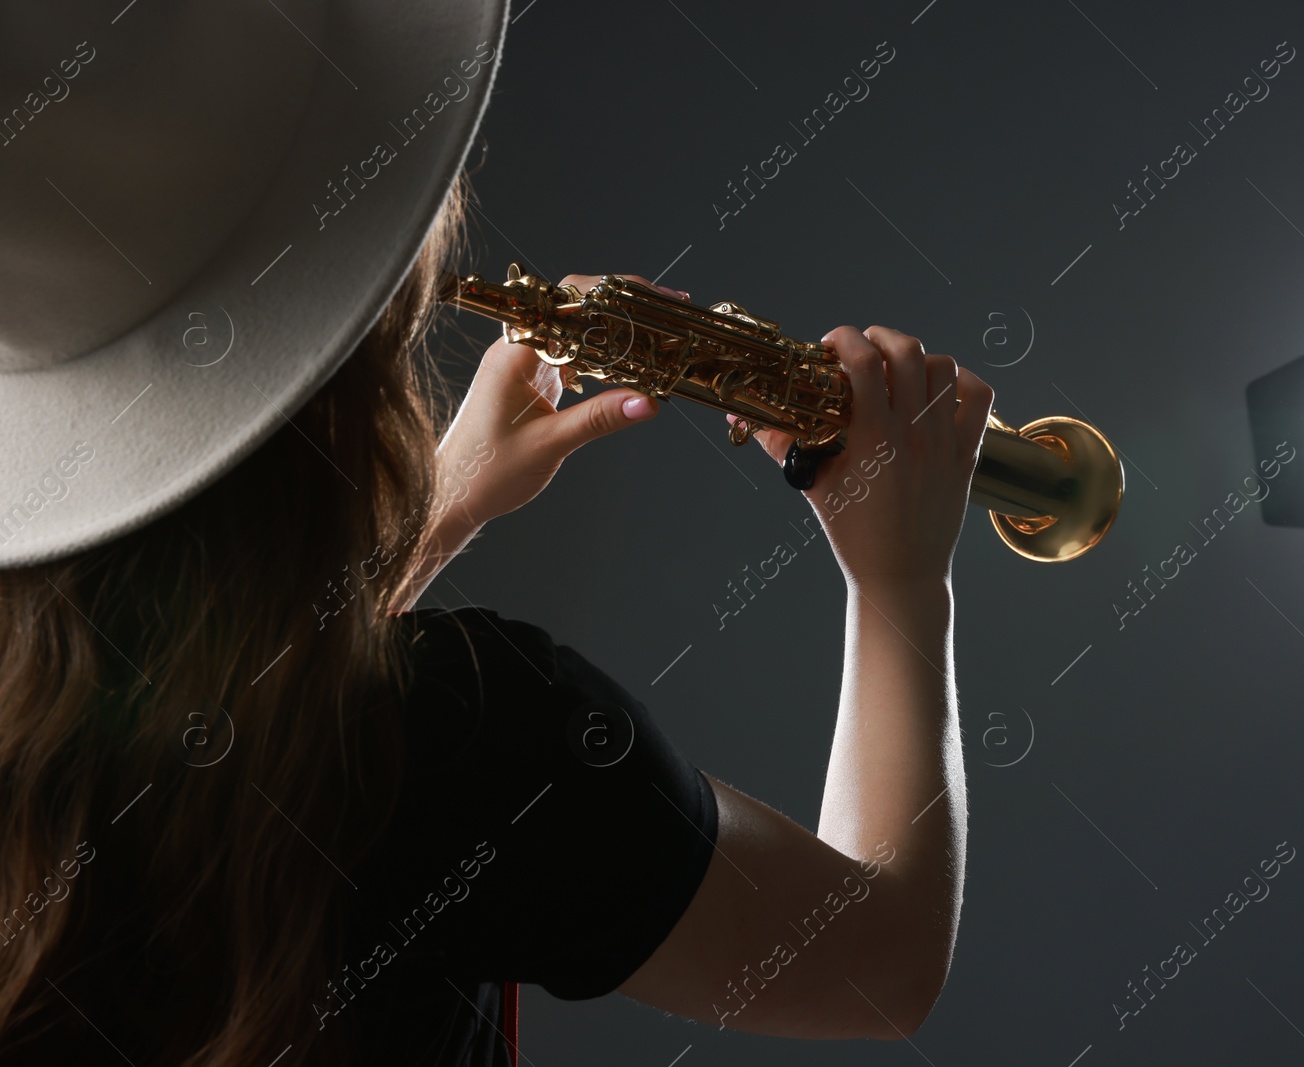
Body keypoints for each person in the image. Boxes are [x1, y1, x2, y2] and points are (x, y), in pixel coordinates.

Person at [0, 5, 993, 1065]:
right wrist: (899, 581)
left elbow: (218, 733)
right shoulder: (478, 736)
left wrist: (430, 520)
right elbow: (873, 962)